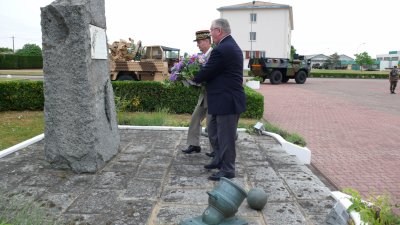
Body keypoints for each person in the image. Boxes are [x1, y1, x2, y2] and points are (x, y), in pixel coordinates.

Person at [193, 18, 246, 181]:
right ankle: (218, 159)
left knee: (226, 137)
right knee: (214, 131)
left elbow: (208, 71)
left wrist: (193, 77)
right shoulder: (227, 46)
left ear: (219, 31)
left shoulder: (222, 49)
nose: (210, 34)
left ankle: (228, 169)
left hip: (226, 101)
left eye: (211, 31)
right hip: (221, 99)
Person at [181, 30, 213, 155]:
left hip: (212, 95)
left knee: (211, 123)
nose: (197, 45)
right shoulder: (203, 56)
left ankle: (215, 151)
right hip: (204, 94)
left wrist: (197, 78)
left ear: (206, 41)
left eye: (199, 42)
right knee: (195, 118)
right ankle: (194, 144)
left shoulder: (213, 54)